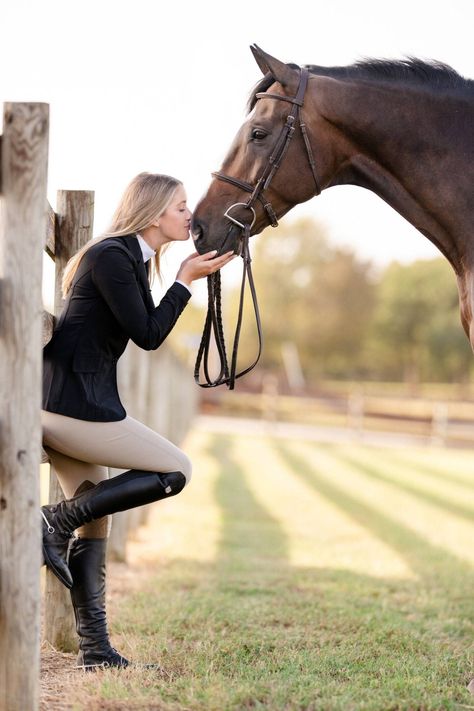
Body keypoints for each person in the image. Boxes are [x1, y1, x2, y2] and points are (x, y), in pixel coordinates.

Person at [41, 172, 234, 670]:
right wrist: (185, 282)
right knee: (176, 471)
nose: (190, 214)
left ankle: (96, 650)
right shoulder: (112, 257)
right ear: (152, 215)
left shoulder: (129, 259)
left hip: (76, 404)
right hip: (72, 408)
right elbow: (148, 334)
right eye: (181, 206)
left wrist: (181, 277)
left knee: (94, 523)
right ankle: (54, 519)